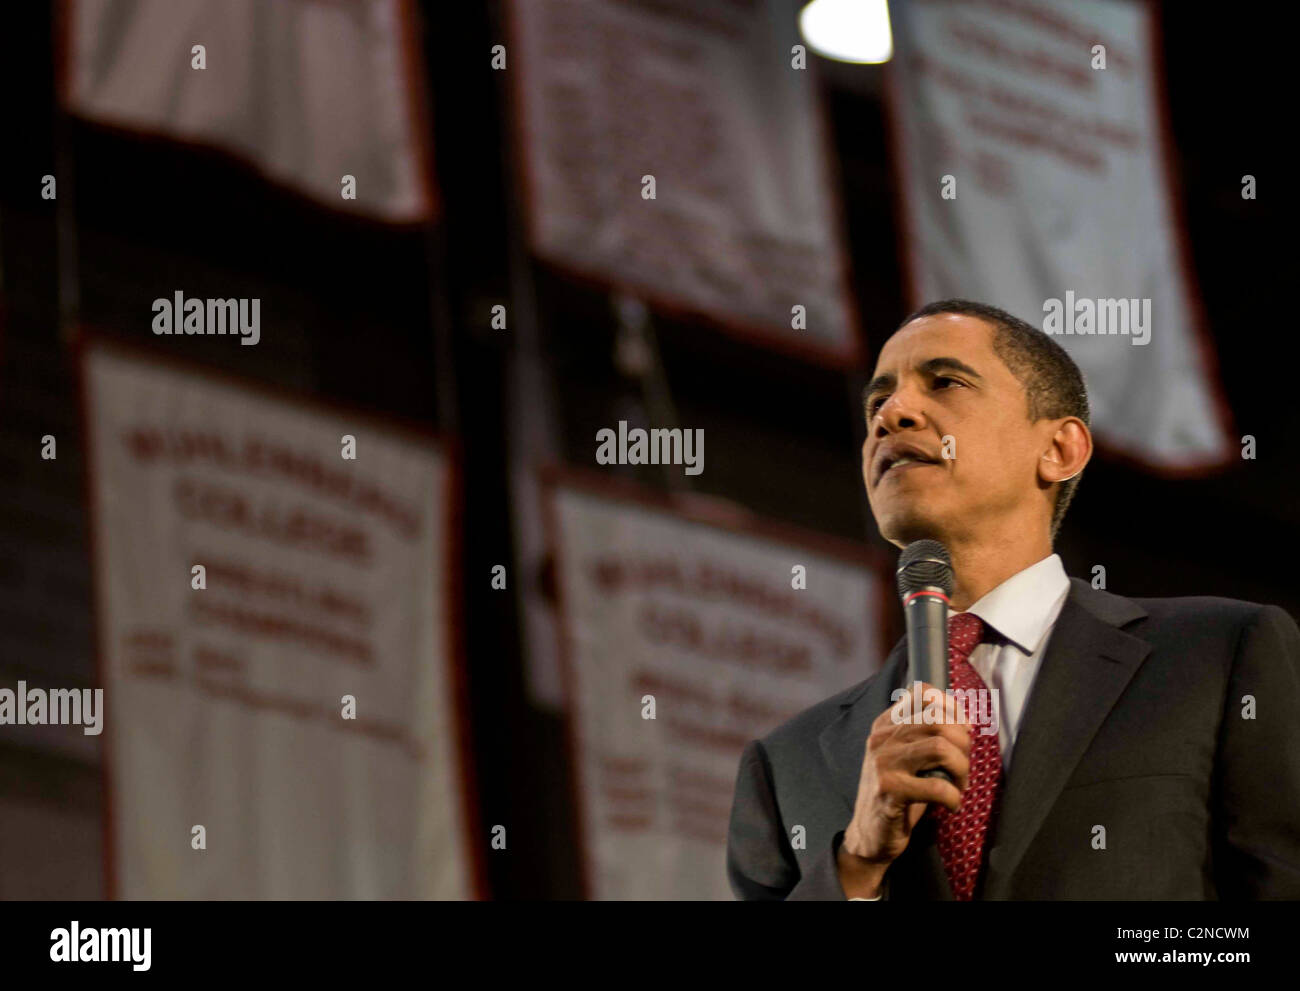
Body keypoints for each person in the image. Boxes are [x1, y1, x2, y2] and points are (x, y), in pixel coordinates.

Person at [726, 299, 1300, 900]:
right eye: (877, 400)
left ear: (1059, 450)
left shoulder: (1217, 657)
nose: (890, 415)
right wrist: (858, 862)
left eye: (945, 382)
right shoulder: (785, 765)